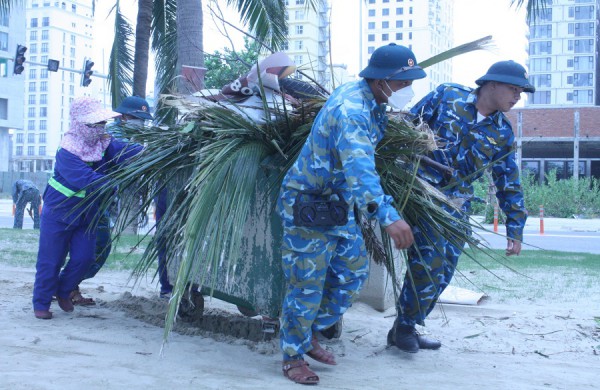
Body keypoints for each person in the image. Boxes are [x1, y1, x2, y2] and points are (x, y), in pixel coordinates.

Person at [277, 43, 423, 385]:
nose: (407, 90)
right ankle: (292, 355)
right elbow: (360, 169)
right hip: (308, 204)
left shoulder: (373, 102)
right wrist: (388, 215)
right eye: (403, 83)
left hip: (335, 205)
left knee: (351, 273)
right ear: (381, 80)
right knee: (306, 283)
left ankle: (308, 332)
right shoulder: (352, 110)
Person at [387, 60, 533, 353]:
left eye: (521, 92)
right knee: (429, 260)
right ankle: (404, 327)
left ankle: (407, 324)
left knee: (444, 270)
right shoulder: (447, 95)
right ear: (491, 84)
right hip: (422, 192)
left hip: (457, 204)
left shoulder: (501, 132)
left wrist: (515, 228)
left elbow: (508, 181)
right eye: (513, 89)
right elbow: (406, 126)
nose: (517, 97)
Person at [32, 97, 143, 320]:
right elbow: (86, 179)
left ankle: (64, 291)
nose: (101, 127)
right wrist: (115, 185)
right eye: (96, 124)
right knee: (50, 260)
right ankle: (41, 303)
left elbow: (124, 152)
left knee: (84, 258)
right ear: (82, 125)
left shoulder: (104, 143)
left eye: (102, 123)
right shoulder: (67, 151)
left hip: (88, 213)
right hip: (60, 213)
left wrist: (148, 151)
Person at [69, 95, 162, 305]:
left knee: (93, 246)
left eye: (144, 119)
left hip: (100, 200)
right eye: (137, 118)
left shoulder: (124, 136)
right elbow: (126, 157)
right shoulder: (112, 136)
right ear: (123, 117)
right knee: (99, 246)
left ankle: (68, 286)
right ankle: (66, 286)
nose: (141, 123)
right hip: (92, 199)